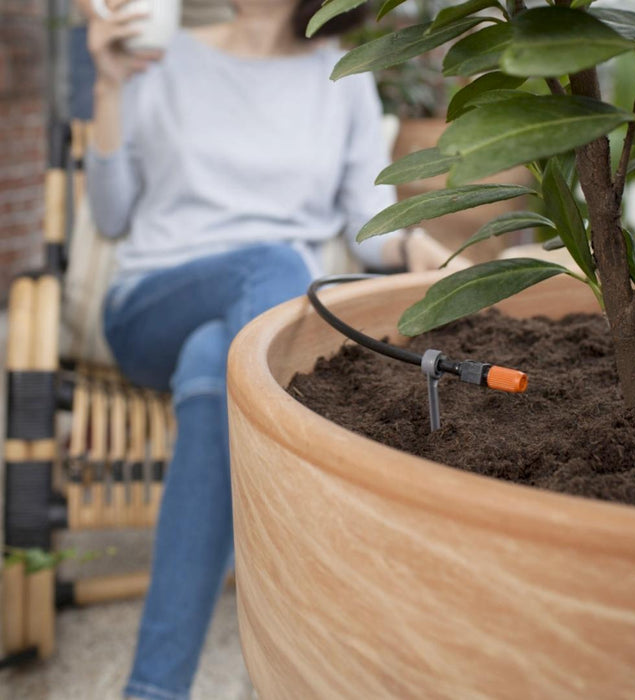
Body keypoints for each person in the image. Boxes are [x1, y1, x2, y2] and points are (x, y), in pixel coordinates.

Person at [82, 1, 458, 697]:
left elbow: (366, 230)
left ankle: (152, 689)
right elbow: (110, 213)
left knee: (211, 359)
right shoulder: (161, 57)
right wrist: (107, 85)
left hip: (237, 333)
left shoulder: (340, 78)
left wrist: (421, 246)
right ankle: (303, 554)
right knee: (274, 266)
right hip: (151, 306)